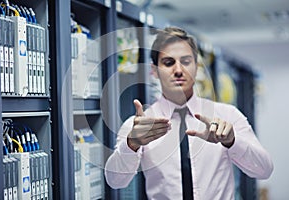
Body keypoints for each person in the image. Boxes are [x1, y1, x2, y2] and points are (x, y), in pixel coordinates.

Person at [104, 26, 273, 200]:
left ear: (196, 67)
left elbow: (264, 170)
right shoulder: (140, 125)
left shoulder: (227, 115)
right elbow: (115, 181)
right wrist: (131, 144)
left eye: (185, 61)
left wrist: (232, 141)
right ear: (153, 70)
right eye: (168, 63)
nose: (178, 70)